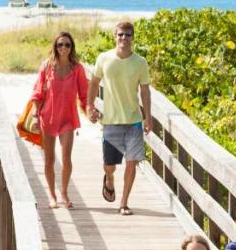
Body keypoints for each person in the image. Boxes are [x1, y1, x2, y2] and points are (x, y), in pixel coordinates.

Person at [87, 21, 151, 216]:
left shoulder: (140, 62)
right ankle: (109, 179)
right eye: (120, 35)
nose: (124, 38)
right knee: (110, 166)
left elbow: (145, 90)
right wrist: (89, 106)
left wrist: (148, 117)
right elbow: (94, 83)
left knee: (132, 161)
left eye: (128, 35)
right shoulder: (104, 58)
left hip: (133, 120)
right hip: (111, 120)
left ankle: (123, 202)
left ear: (133, 38)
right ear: (115, 37)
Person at [30, 31, 88, 209]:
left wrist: (90, 111)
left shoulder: (77, 68)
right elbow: (37, 93)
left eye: (67, 45)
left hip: (68, 119)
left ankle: (64, 193)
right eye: (60, 45)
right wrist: (34, 115)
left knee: (66, 158)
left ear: (72, 47)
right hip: (48, 117)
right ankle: (52, 195)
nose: (63, 48)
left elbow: (84, 94)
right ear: (55, 47)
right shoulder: (47, 67)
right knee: (49, 160)